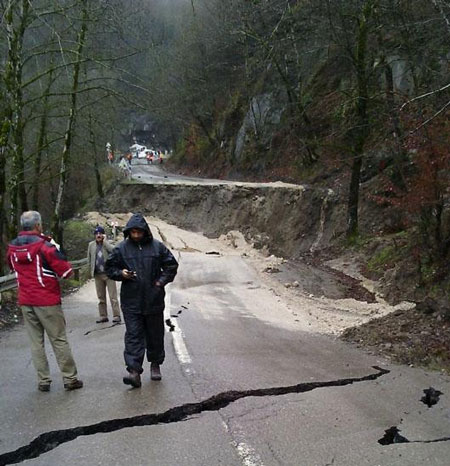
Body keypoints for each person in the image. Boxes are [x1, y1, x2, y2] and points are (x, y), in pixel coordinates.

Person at [6, 211, 83, 392]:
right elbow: (66, 272)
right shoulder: (45, 247)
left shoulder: (12, 248)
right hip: (47, 300)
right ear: (38, 225)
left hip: (25, 300)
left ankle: (43, 380)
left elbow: (12, 266)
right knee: (58, 339)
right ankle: (69, 378)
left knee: (36, 343)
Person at [105, 213, 178, 387]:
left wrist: (160, 283)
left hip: (153, 299)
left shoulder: (157, 248)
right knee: (133, 336)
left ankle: (155, 364)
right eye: (133, 232)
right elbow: (109, 268)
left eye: (139, 232)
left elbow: (171, 266)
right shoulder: (121, 249)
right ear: (129, 232)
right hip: (131, 301)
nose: (136, 235)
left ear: (145, 231)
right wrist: (121, 274)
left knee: (155, 335)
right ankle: (134, 371)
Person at [87, 226, 121, 324]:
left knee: (113, 296)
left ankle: (116, 315)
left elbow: (114, 251)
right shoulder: (91, 245)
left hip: (109, 274)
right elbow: (89, 259)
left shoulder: (107, 244)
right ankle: (103, 316)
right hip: (98, 274)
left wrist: (105, 242)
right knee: (101, 297)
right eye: (97, 234)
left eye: (100, 233)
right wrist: (90, 271)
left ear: (103, 235)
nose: (98, 235)